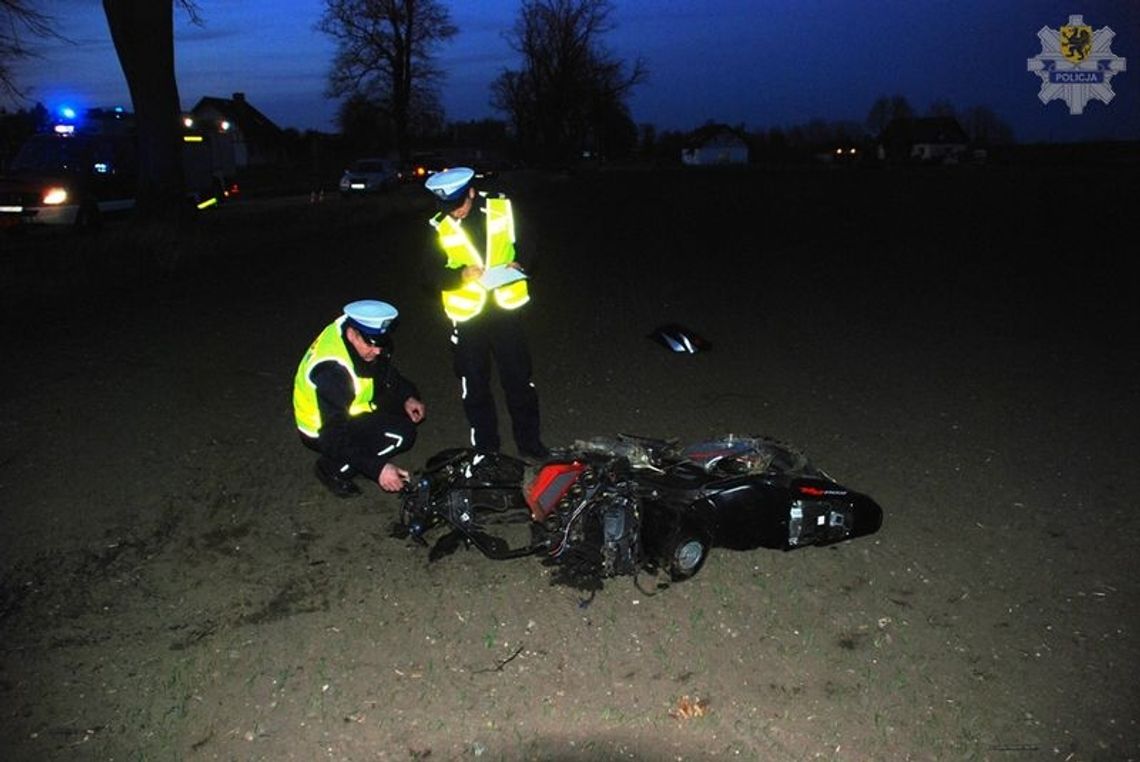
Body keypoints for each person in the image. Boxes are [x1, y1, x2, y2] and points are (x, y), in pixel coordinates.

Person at [423, 167, 549, 461]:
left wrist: (522, 262)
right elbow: (428, 273)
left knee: (519, 381)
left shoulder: (502, 206)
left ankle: (530, 444)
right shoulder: (437, 225)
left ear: (471, 192)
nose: (456, 213)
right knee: (475, 387)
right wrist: (459, 275)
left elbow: (530, 241)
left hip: (505, 311)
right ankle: (486, 451)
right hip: (467, 318)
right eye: (448, 208)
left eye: (459, 205)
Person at [293, 299, 426, 497]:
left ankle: (359, 459)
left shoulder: (352, 330)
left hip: (353, 406)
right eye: (372, 345)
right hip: (322, 429)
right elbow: (333, 436)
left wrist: (407, 396)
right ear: (352, 334)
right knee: (402, 434)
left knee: (406, 413)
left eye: (381, 344)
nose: (378, 351)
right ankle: (332, 468)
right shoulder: (333, 372)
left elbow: (384, 372)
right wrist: (377, 468)